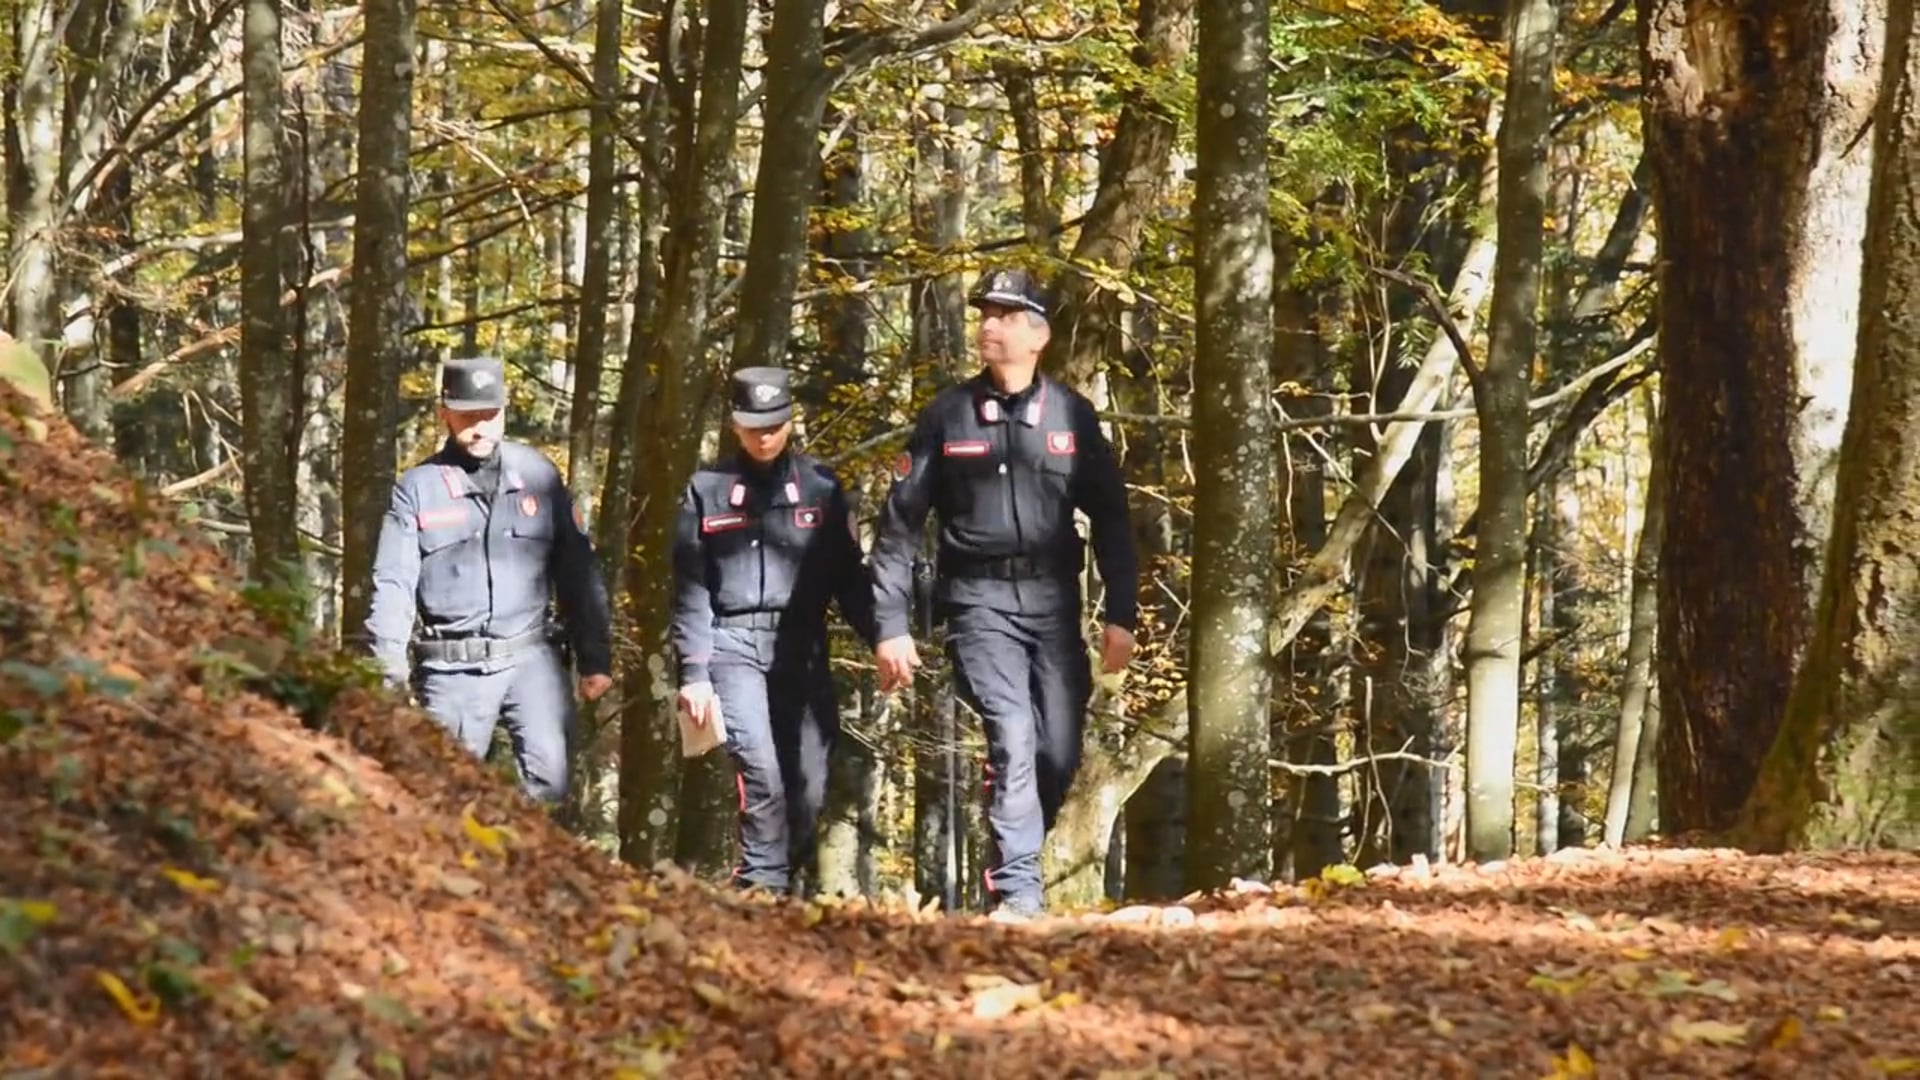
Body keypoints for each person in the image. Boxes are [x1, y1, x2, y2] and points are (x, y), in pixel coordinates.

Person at [869, 266, 1139, 920]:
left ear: (1038, 335)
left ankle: (1016, 854)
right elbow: (900, 524)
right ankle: (1017, 892)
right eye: (984, 313)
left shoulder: (1072, 416)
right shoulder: (947, 415)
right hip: (977, 603)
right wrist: (890, 625)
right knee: (1013, 735)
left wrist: (1121, 615)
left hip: (1053, 602)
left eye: (1005, 315)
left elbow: (1111, 517)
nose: (988, 325)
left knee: (1057, 750)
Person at [364, 355, 613, 804]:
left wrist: (595, 657)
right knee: (443, 796)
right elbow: (393, 584)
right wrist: (388, 674)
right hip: (452, 667)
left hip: (531, 658)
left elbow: (577, 569)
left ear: (504, 410)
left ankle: (524, 874)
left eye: (490, 415)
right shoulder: (418, 488)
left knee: (550, 788)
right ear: (444, 413)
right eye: (467, 417)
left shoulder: (538, 475)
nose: (480, 428)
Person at [671, 366, 878, 897]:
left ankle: (784, 881)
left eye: (774, 424)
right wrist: (693, 672)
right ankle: (761, 886)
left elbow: (849, 579)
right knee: (759, 770)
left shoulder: (822, 489)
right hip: (732, 645)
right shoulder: (707, 490)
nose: (764, 436)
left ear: (790, 422)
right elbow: (690, 588)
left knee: (806, 781)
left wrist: (886, 635)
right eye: (753, 425)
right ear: (735, 426)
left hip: (801, 644)